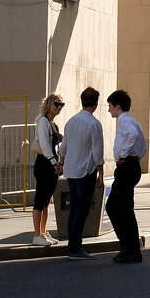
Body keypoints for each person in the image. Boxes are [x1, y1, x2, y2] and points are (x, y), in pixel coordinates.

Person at [58, 87, 104, 260]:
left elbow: (64, 147)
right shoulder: (94, 124)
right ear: (96, 103)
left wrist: (61, 163)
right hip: (86, 171)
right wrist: (100, 173)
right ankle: (75, 247)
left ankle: (73, 245)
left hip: (71, 169)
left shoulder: (71, 121)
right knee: (82, 209)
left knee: (74, 208)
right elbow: (97, 152)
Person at [106, 89, 147, 264]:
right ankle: (129, 248)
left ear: (117, 106)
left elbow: (133, 136)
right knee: (124, 208)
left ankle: (129, 248)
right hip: (132, 165)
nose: (109, 110)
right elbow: (143, 146)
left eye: (110, 106)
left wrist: (123, 154)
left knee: (114, 207)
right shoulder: (132, 120)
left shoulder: (124, 121)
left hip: (126, 166)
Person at [30, 93, 64, 246]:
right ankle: (37, 234)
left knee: (46, 201)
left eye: (61, 105)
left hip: (51, 164)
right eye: (56, 104)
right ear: (49, 104)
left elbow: (52, 143)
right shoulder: (43, 121)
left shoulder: (52, 123)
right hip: (44, 164)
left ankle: (43, 232)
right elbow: (44, 144)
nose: (59, 108)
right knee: (40, 199)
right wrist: (53, 162)